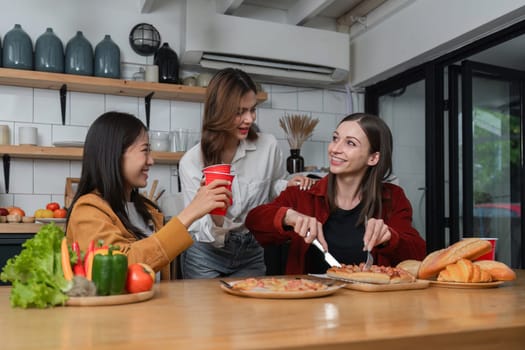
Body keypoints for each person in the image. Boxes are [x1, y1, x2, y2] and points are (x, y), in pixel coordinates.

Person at [245, 113, 426, 274]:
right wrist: (288, 216)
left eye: (350, 143)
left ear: (373, 158)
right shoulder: (303, 194)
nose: (335, 149)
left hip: (370, 306)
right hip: (309, 303)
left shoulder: (392, 197)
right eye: (335, 138)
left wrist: (390, 238)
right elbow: (254, 220)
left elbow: (418, 253)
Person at [179, 68, 314, 279]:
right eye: (239, 112)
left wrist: (287, 185)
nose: (249, 119)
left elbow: (272, 186)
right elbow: (198, 229)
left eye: (252, 109)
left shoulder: (267, 145)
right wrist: (216, 215)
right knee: (206, 312)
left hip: (252, 251)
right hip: (206, 255)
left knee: (251, 312)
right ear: (219, 112)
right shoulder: (191, 162)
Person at [66, 111, 232, 278]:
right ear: (115, 154)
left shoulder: (145, 209)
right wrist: (191, 212)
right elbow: (118, 267)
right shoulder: (87, 211)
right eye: (144, 151)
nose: (151, 160)